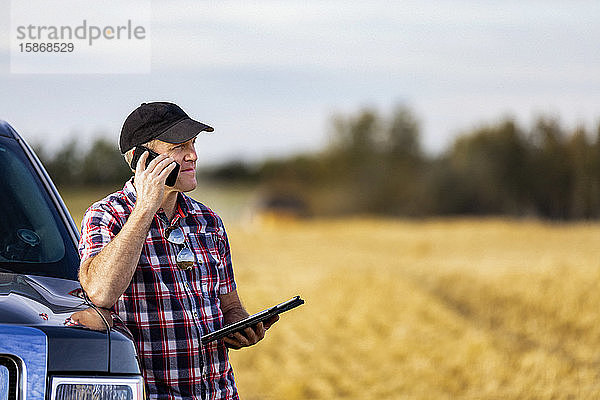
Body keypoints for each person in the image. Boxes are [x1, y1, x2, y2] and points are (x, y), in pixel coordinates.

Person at [78, 102, 277, 400]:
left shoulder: (208, 221)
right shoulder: (106, 215)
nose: (193, 155)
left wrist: (241, 325)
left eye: (193, 143)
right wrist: (146, 207)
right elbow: (100, 293)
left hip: (221, 393)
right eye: (178, 146)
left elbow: (230, 305)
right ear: (141, 158)